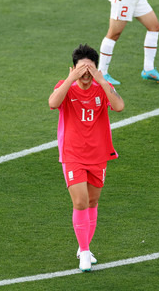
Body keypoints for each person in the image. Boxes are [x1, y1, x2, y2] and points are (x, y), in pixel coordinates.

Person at [48, 44, 124, 272]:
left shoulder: (103, 87)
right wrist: (71, 78)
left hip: (98, 154)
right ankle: (83, 252)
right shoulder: (66, 87)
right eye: (81, 69)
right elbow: (52, 103)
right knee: (79, 202)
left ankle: (86, 247)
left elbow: (119, 106)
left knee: (92, 202)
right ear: (72, 69)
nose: (86, 74)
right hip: (73, 154)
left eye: (90, 69)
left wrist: (102, 81)